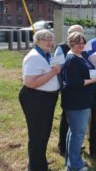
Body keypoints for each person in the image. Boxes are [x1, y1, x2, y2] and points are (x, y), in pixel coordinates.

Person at [19, 29, 61, 171]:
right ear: (37, 41)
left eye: (51, 39)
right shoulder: (34, 57)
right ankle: (36, 167)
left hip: (47, 98)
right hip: (36, 98)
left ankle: (39, 160)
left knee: (44, 132)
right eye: (46, 39)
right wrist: (53, 72)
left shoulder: (48, 54)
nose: (50, 42)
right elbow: (30, 82)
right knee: (37, 134)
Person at [61, 32, 96, 171]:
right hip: (76, 102)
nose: (81, 45)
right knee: (78, 134)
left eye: (83, 42)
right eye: (78, 43)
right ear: (71, 43)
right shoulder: (71, 59)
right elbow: (73, 82)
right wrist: (93, 81)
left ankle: (71, 161)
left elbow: (88, 72)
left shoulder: (80, 56)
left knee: (74, 132)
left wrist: (95, 82)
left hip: (82, 100)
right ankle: (75, 166)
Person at [54, 24, 84, 157]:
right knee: (66, 118)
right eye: (75, 34)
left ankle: (75, 144)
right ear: (68, 35)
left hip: (81, 88)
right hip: (68, 88)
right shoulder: (61, 48)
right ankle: (63, 146)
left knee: (77, 121)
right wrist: (62, 86)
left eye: (80, 34)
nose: (78, 38)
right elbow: (56, 67)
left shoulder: (83, 47)